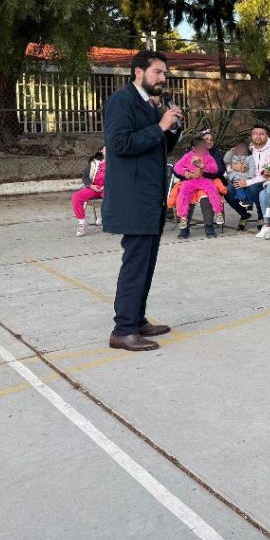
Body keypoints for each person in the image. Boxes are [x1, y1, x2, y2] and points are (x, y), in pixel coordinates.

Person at [101, 49, 180, 351]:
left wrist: (171, 128)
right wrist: (159, 126)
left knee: (147, 262)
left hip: (151, 198)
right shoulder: (122, 101)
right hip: (134, 198)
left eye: (164, 73)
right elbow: (119, 144)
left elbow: (155, 144)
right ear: (138, 72)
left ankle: (136, 319)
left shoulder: (149, 104)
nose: (163, 78)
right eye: (158, 72)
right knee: (135, 262)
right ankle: (123, 330)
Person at [174, 136, 225, 237]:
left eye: (211, 140)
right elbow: (176, 167)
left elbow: (216, 169)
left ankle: (213, 221)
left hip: (204, 180)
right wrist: (185, 172)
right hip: (190, 180)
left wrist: (204, 168)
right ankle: (184, 222)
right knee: (184, 194)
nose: (206, 145)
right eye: (205, 141)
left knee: (211, 192)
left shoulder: (210, 154)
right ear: (194, 148)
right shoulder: (187, 155)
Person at [230, 124, 270, 224]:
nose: (258, 136)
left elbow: (267, 174)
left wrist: (247, 182)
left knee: (253, 188)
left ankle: (261, 215)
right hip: (246, 179)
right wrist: (233, 166)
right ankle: (244, 214)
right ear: (251, 136)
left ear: (267, 135)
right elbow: (229, 163)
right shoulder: (248, 149)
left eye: (261, 134)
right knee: (228, 190)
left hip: (264, 182)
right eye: (255, 134)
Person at [73, 147, 106, 236]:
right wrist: (91, 186)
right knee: (76, 197)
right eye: (106, 148)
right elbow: (85, 177)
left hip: (107, 188)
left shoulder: (116, 162)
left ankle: (103, 219)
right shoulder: (93, 162)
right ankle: (82, 222)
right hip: (93, 188)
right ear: (100, 151)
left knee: (113, 197)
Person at [224, 140, 255, 208]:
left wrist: (246, 168)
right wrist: (231, 151)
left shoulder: (248, 157)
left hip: (247, 177)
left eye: (242, 148)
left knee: (247, 188)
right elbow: (226, 161)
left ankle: (248, 201)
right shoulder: (233, 156)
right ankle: (242, 198)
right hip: (236, 177)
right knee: (237, 185)